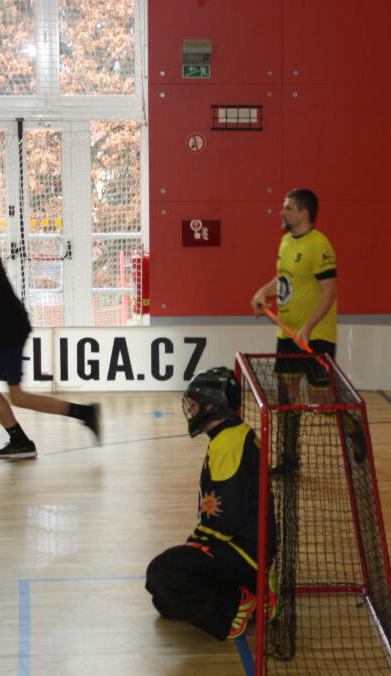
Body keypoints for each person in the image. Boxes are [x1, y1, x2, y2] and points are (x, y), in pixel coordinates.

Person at [0, 207, 100, 459]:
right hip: (9, 325)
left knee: (16, 396)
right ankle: (25, 438)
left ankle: (74, 418)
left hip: (9, 327)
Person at [145, 366, 275, 640]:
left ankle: (239, 604)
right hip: (243, 548)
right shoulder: (230, 436)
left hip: (245, 553)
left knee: (162, 571)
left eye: (194, 404)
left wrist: (198, 544)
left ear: (212, 406)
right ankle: (255, 596)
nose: (191, 410)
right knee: (164, 601)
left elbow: (227, 519)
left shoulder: (228, 445)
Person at [249, 189, 340, 474]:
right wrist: (263, 292)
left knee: (322, 401)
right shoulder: (286, 241)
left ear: (303, 213)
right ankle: (289, 459)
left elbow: (329, 292)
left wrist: (308, 328)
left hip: (316, 335)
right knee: (286, 397)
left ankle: (352, 430)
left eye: (288, 208)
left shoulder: (319, 245)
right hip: (287, 334)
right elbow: (284, 279)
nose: (282, 212)